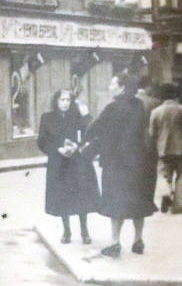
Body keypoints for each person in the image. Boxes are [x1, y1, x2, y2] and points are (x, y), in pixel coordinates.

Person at [86, 74, 156, 257]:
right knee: (137, 202)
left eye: (112, 83)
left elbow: (95, 128)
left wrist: (85, 123)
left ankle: (115, 242)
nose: (110, 86)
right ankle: (138, 240)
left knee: (115, 202)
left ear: (122, 87)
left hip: (116, 163)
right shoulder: (139, 106)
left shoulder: (112, 108)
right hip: (139, 162)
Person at [38, 89, 98, 245]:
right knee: (63, 196)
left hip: (77, 161)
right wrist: (57, 149)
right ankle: (66, 231)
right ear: (56, 101)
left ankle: (84, 231)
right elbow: (42, 141)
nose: (65, 103)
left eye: (68, 100)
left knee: (81, 195)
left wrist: (86, 116)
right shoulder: (47, 118)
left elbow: (90, 132)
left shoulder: (77, 117)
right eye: (62, 100)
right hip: (59, 163)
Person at [153, 83, 182, 214]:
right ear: (175, 95)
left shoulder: (156, 112)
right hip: (180, 149)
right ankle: (178, 204)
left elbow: (152, 132)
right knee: (181, 176)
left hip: (163, 149)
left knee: (165, 175)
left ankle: (166, 192)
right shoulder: (180, 109)